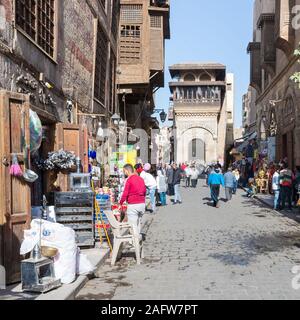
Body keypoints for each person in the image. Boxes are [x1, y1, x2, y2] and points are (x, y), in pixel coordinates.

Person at [119, 164, 146, 238]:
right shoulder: (140, 179)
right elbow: (144, 191)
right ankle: (138, 241)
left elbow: (125, 193)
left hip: (133, 205)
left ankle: (135, 243)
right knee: (138, 223)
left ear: (127, 171)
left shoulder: (129, 180)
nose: (124, 173)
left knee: (133, 225)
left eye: (124, 171)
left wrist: (120, 203)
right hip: (142, 204)